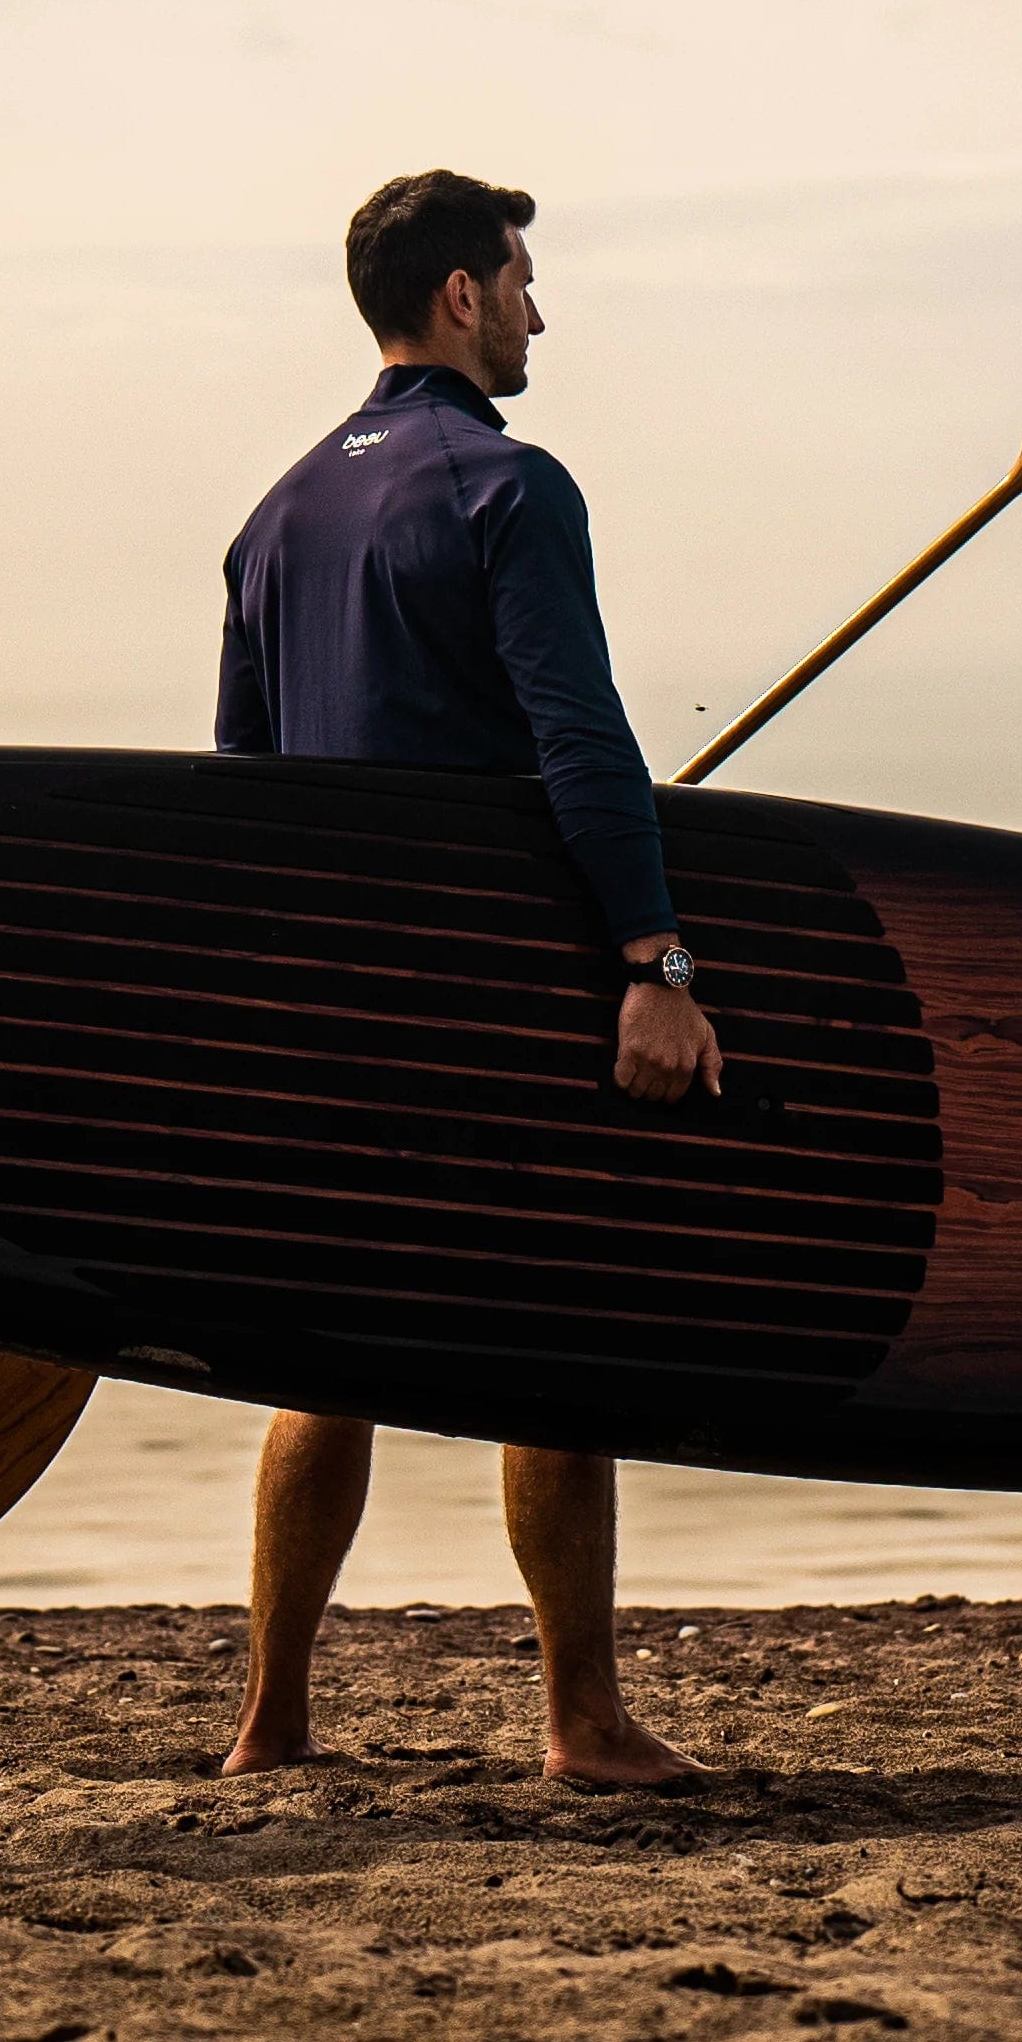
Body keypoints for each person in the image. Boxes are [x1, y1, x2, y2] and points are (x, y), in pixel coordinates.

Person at [209, 169, 718, 1790]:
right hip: (488, 997)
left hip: (329, 1016)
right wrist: (657, 957)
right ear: (458, 298)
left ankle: (272, 1724)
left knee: (325, 1360)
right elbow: (582, 742)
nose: (537, 311)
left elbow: (242, 793)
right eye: (519, 280)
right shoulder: (511, 487)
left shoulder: (274, 517)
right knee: (556, 1346)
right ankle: (582, 1720)